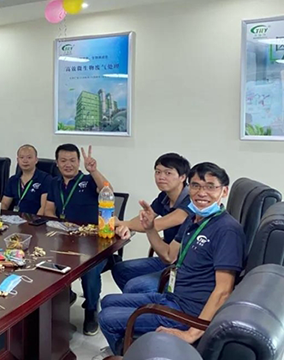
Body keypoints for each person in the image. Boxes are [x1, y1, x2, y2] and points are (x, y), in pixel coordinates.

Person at [98, 162, 245, 355]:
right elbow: (169, 255)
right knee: (107, 301)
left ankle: (130, 353)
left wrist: (191, 333)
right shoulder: (193, 219)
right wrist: (150, 228)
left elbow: (224, 291)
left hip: (187, 312)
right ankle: (130, 348)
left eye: (210, 187)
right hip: (172, 297)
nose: (202, 193)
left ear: (224, 191)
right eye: (196, 186)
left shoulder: (227, 230)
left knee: (107, 317)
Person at [45, 143, 112, 336]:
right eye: (63, 160)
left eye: (72, 160)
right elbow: (49, 209)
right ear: (57, 163)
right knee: (44, 261)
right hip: (64, 239)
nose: (68, 164)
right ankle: (65, 296)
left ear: (79, 162)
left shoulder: (88, 180)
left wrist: (94, 171)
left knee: (89, 270)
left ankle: (91, 310)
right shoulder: (54, 183)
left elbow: (108, 190)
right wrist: (58, 224)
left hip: (93, 241)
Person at [112, 153, 192, 293]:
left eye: (168, 173)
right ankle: (138, 303)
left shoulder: (190, 201)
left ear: (182, 177)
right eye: (158, 172)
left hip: (183, 264)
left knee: (135, 286)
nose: (161, 177)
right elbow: (146, 218)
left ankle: (155, 303)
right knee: (120, 269)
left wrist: (122, 223)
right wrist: (124, 224)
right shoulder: (164, 196)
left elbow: (157, 224)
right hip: (165, 258)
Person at [1, 144, 52, 215]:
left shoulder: (45, 179)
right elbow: (5, 203)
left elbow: (44, 207)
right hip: (14, 218)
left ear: (36, 160)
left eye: (29, 157)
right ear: (17, 160)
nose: (25, 161)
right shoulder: (13, 180)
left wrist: (35, 220)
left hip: (34, 219)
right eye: (21, 157)